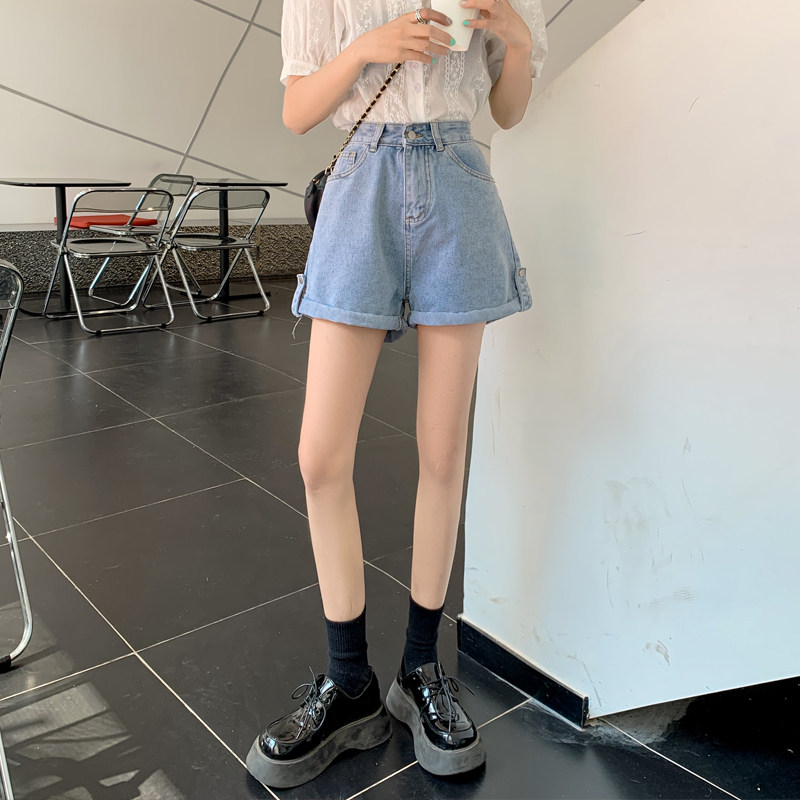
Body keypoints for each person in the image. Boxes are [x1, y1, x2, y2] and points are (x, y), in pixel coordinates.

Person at [246, 0, 547, 789]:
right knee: (320, 458)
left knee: (443, 452)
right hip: (361, 180)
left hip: (457, 180)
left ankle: (420, 670)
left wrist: (516, 43)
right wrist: (368, 48)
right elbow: (298, 111)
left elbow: (509, 111)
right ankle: (350, 685)